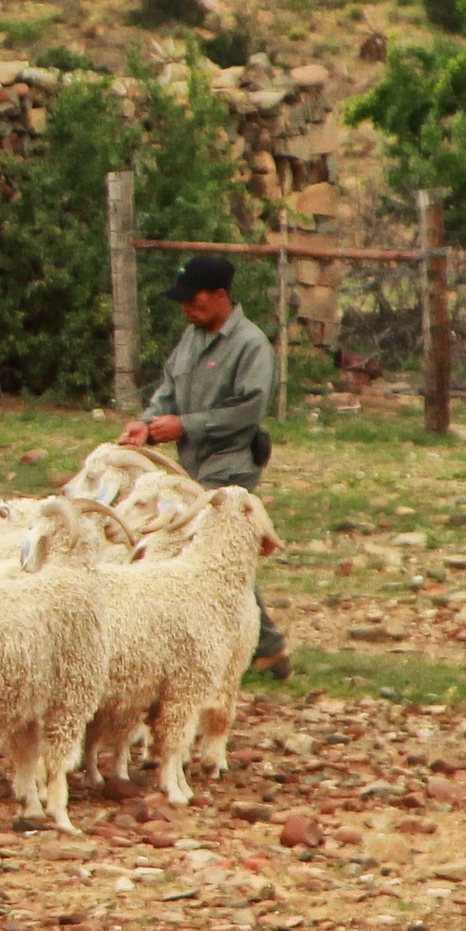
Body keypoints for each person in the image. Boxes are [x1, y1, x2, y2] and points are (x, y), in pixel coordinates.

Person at [120, 250, 286, 677]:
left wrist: (187, 426)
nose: (185, 309)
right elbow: (168, 390)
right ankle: (255, 646)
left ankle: (262, 645)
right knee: (207, 556)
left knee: (215, 556)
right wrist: (145, 423)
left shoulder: (251, 346)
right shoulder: (191, 338)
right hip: (192, 464)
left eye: (193, 301)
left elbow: (248, 410)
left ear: (219, 296)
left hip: (231, 464)